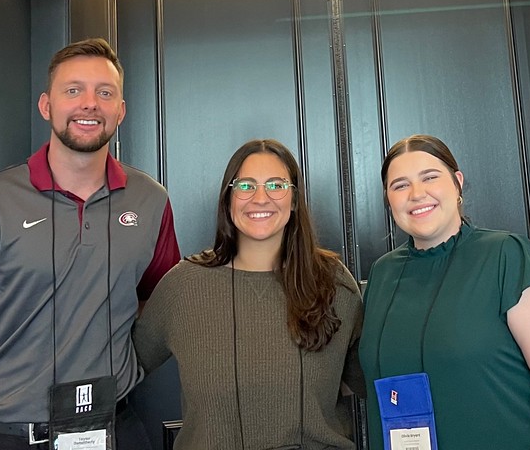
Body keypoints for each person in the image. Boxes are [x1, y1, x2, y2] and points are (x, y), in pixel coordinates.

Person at [0, 37, 181, 450]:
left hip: (114, 430)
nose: (89, 104)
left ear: (120, 110)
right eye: (73, 90)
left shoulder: (151, 202)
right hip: (10, 437)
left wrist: (123, 362)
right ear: (47, 106)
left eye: (104, 93)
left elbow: (162, 304)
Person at [134, 138, 363, 450]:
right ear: (229, 198)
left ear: (294, 199)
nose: (260, 197)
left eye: (276, 185)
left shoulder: (334, 283)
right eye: (245, 186)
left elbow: (378, 376)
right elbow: (123, 367)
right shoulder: (183, 286)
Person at [360, 134, 530, 450]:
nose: (417, 194)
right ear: (388, 198)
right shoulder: (382, 273)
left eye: (430, 178)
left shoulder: (508, 255)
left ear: (457, 183)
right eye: (400, 185)